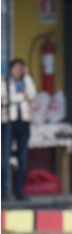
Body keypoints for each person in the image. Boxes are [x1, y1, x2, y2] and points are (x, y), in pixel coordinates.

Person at [1, 59, 37, 201]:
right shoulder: (4, 82)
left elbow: (32, 95)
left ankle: (19, 191)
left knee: (22, 158)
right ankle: (4, 191)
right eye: (16, 68)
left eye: (21, 69)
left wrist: (27, 76)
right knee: (5, 158)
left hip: (23, 124)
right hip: (8, 123)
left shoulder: (25, 82)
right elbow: (4, 99)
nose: (18, 71)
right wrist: (21, 97)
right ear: (10, 69)